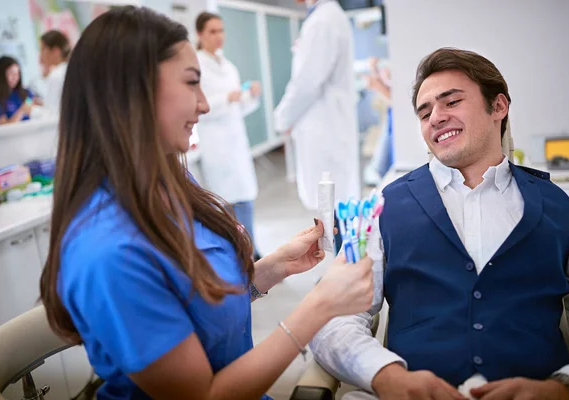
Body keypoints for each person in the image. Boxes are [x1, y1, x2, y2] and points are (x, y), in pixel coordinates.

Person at [39, 6, 374, 400]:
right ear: (135, 91)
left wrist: (273, 267)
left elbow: (197, 307)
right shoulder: (109, 252)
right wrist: (317, 308)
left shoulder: (170, 180)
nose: (205, 104)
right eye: (191, 83)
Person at [310, 48, 569, 400]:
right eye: (424, 112)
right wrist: (385, 375)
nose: (435, 118)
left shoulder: (568, 209)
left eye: (451, 102)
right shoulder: (381, 207)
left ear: (498, 107)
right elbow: (331, 315)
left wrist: (563, 387)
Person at [274, 0, 361, 211]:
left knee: (329, 210)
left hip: (325, 130)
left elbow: (306, 82)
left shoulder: (322, 21)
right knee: (334, 206)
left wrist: (282, 117)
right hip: (331, 127)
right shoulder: (327, 17)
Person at [194, 12, 263, 260]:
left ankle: (252, 250)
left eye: (221, 30)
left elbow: (239, 107)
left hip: (236, 143)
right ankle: (238, 255)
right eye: (212, 31)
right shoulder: (198, 66)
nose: (219, 36)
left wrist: (250, 95)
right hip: (216, 146)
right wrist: (226, 98)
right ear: (200, 34)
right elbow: (196, 106)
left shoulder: (228, 66)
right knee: (226, 204)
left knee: (245, 197)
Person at [0, 56, 39, 125]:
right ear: (1, 74)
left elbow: (30, 99)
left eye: (17, 74)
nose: (15, 78)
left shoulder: (24, 92)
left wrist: (29, 103)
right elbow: (4, 127)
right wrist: (22, 111)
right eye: (11, 73)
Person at [38, 29, 70, 114]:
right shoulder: (70, 69)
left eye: (42, 49)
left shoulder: (57, 75)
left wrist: (31, 110)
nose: (41, 55)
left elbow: (52, 115)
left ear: (56, 51)